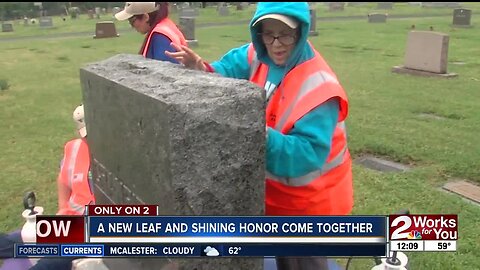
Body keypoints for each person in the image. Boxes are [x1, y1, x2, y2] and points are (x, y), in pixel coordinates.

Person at [166, 2, 353, 269]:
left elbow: (306, 156)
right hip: (274, 198)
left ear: (301, 31)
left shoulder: (320, 89)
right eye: (269, 34)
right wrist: (204, 72)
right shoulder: (257, 52)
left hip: (308, 207)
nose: (276, 44)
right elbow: (228, 69)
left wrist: (258, 135)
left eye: (285, 34)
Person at [0, 105, 94, 270]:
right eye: (86, 135)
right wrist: (63, 208)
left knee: (48, 264)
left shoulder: (117, 156)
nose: (92, 139)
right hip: (66, 226)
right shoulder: (74, 148)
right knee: (12, 241)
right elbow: (64, 179)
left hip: (90, 234)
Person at [115, 2, 187, 63]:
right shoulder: (166, 25)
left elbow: (163, 72)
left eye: (132, 21)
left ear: (146, 17)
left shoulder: (160, 37)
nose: (132, 26)